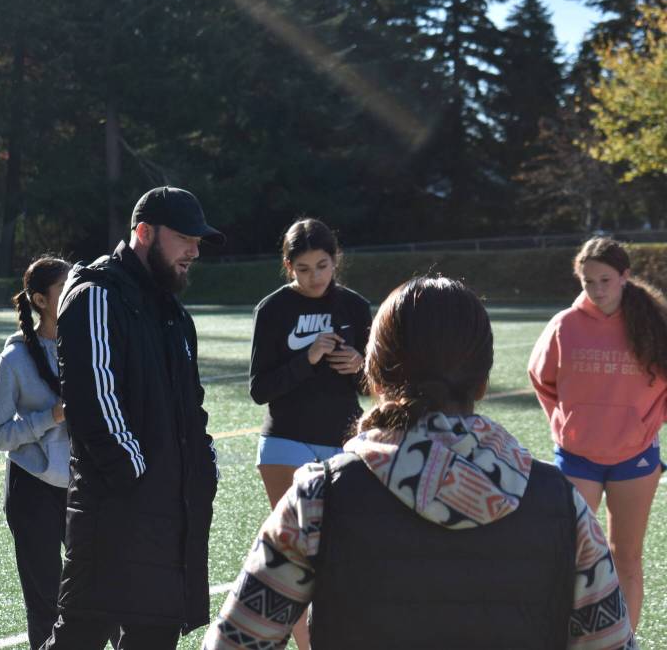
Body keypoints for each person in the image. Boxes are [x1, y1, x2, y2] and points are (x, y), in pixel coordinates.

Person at [205, 277, 637, 649]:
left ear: (375, 375)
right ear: (482, 382)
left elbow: (235, 640)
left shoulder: (321, 496)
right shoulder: (561, 503)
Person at [42, 186, 223, 650]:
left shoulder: (173, 314)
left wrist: (202, 473)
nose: (194, 251)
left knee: (154, 641)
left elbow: (193, 411)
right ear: (144, 233)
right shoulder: (96, 294)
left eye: (198, 240)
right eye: (185, 237)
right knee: (78, 640)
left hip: (169, 524)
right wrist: (138, 475)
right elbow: (94, 403)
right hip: (114, 522)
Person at [529, 236, 667, 633]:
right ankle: (573, 637)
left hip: (635, 458)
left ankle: (626, 640)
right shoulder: (565, 325)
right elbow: (542, 379)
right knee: (573, 557)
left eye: (605, 280)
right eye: (588, 282)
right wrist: (564, 423)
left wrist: (647, 422)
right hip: (577, 457)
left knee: (626, 556)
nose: (597, 289)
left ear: (625, 276)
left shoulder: (654, 324)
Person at [247, 218, 371, 648]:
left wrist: (361, 366)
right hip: (285, 442)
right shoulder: (273, 309)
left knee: (340, 554)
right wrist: (308, 359)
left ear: (336, 261)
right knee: (294, 557)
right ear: (288, 267)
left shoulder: (355, 306)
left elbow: (376, 387)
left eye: (322, 265)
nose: (314, 276)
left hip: (343, 443)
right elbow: (259, 389)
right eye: (303, 268)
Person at [0, 256, 72, 650]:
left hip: (83, 485)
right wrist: (49, 417)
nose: (75, 295)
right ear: (40, 299)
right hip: (32, 490)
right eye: (64, 288)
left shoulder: (88, 347)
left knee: (97, 590)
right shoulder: (15, 359)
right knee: (45, 604)